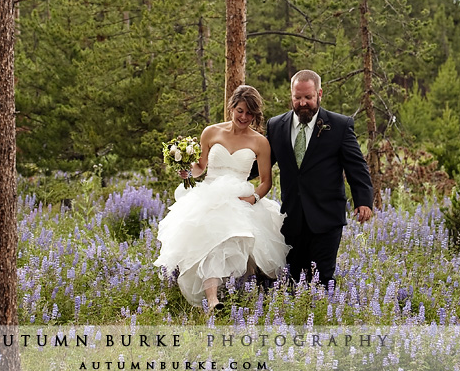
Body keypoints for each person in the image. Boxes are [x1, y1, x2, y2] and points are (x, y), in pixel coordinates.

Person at [154, 85, 289, 310]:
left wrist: (253, 200)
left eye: (250, 113)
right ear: (231, 108)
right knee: (211, 241)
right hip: (210, 194)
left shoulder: (260, 142)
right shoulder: (211, 132)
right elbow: (201, 168)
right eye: (240, 111)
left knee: (238, 240)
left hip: (240, 198)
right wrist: (187, 170)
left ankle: (241, 294)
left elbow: (266, 181)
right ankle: (213, 299)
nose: (244, 117)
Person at [266, 70, 373, 287]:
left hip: (326, 217)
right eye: (297, 98)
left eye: (308, 97)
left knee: (323, 279)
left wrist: (363, 200)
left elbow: (356, 166)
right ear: (291, 95)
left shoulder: (340, 125)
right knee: (293, 281)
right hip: (292, 217)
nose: (302, 103)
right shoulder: (276, 125)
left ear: (319, 94)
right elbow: (261, 164)